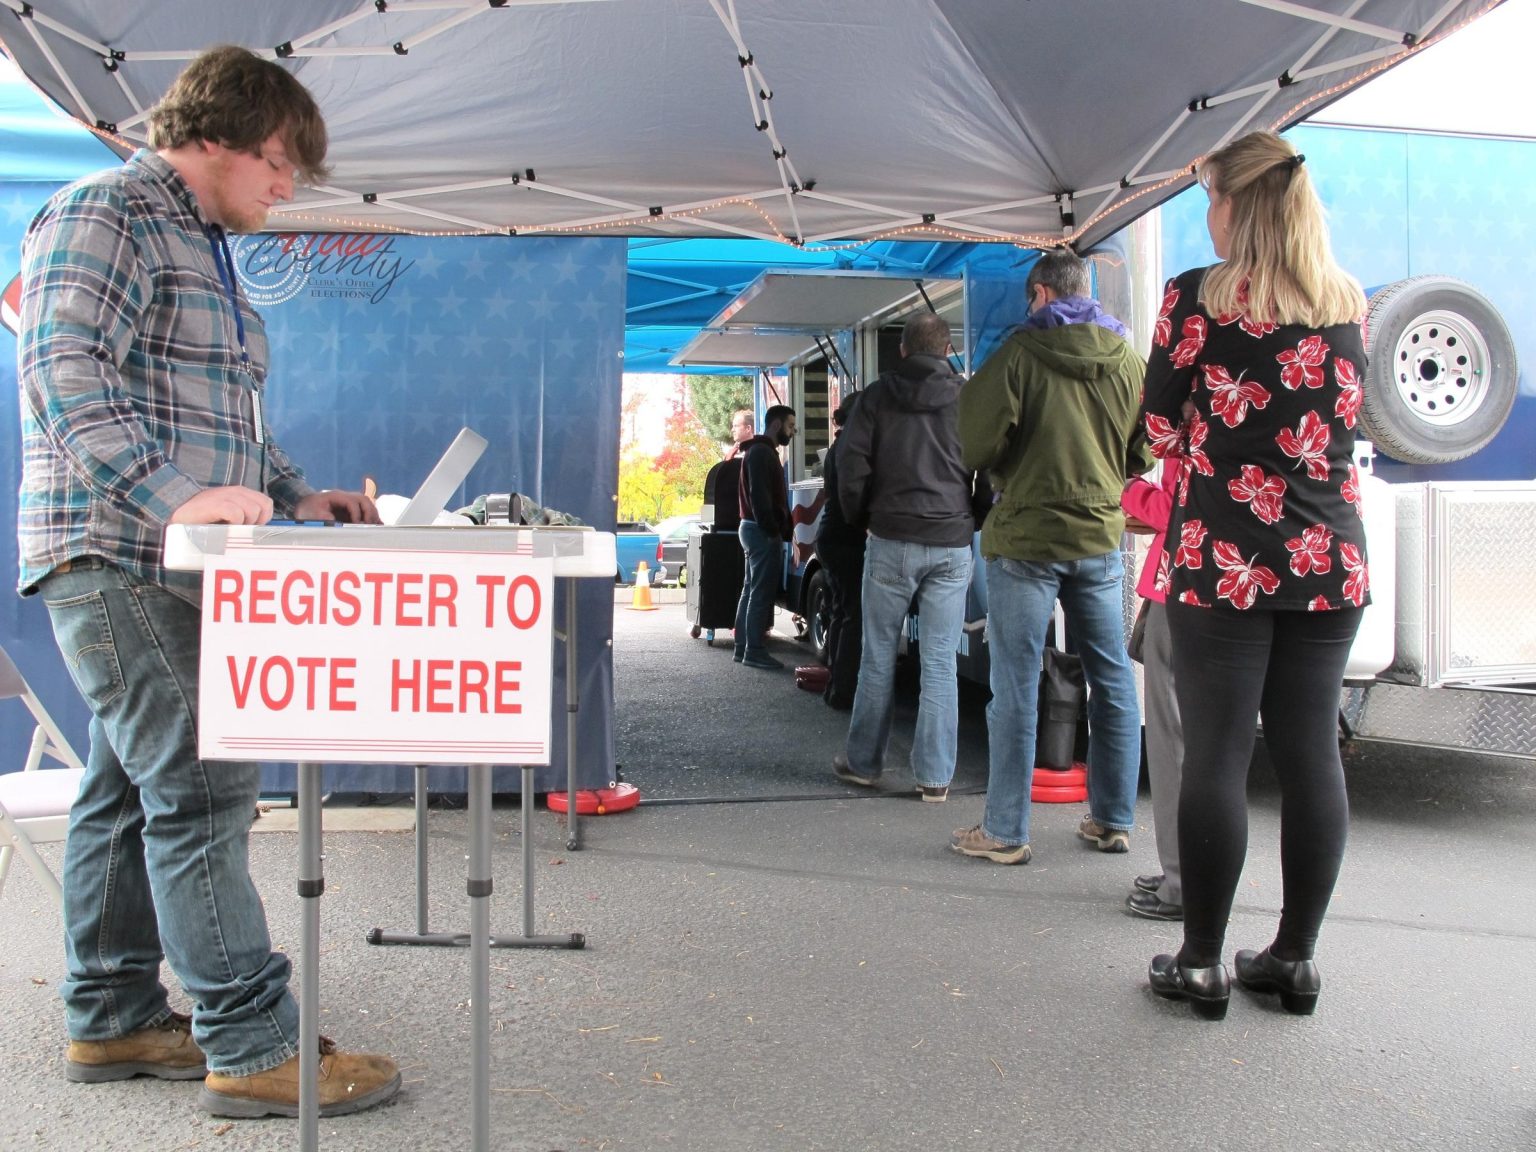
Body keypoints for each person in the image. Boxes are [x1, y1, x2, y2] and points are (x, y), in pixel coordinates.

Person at [17, 46, 400, 1116]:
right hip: (120, 549)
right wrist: (170, 498)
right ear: (220, 139)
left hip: (149, 550)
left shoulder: (201, 246)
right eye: (280, 164)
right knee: (201, 786)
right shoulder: (108, 213)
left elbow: (221, 418)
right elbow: (60, 369)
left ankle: (112, 1017)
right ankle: (253, 1044)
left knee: (125, 788)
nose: (287, 189)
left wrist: (294, 493)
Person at [1141, 130, 1369, 1021]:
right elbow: (1344, 429)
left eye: (1210, 196)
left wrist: (1212, 439)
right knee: (1311, 751)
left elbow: (1159, 431)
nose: (1208, 213)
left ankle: (1201, 962)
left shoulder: (1196, 300)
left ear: (1238, 204)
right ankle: (1294, 959)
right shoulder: (1346, 303)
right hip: (1328, 560)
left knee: (1219, 750)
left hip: (1223, 558)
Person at [952, 249, 1150, 863]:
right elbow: (1144, 452)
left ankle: (1006, 832)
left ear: (1039, 294)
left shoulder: (1018, 355)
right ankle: (1113, 819)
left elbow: (975, 443)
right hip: (1098, 537)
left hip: (1027, 540)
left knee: (1015, 685)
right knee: (1112, 677)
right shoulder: (1127, 359)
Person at [831, 312, 986, 802]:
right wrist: (972, 518)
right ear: (947, 351)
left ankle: (863, 763)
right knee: (940, 662)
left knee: (879, 657)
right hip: (951, 541)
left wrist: (863, 517)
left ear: (902, 350)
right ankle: (934, 778)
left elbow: (851, 466)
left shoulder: (877, 396)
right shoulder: (969, 398)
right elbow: (991, 468)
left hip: (890, 537)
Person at [1121, 461, 1185, 920]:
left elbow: (1172, 507)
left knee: (1173, 742)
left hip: (1184, 582)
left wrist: (1132, 491)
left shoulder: (1204, 425)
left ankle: (1183, 881)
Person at [733, 404, 796, 669]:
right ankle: (754, 651)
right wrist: (773, 529)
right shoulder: (762, 453)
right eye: (791, 426)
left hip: (751, 527)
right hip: (760, 530)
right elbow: (760, 496)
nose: (793, 432)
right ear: (777, 425)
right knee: (759, 592)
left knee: (750, 589)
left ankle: (743, 647)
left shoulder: (757, 451)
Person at [814, 395, 866, 710]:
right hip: (846, 538)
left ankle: (836, 682)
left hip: (830, 536)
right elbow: (854, 498)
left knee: (839, 612)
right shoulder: (851, 448)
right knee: (853, 616)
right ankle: (845, 690)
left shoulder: (838, 447)